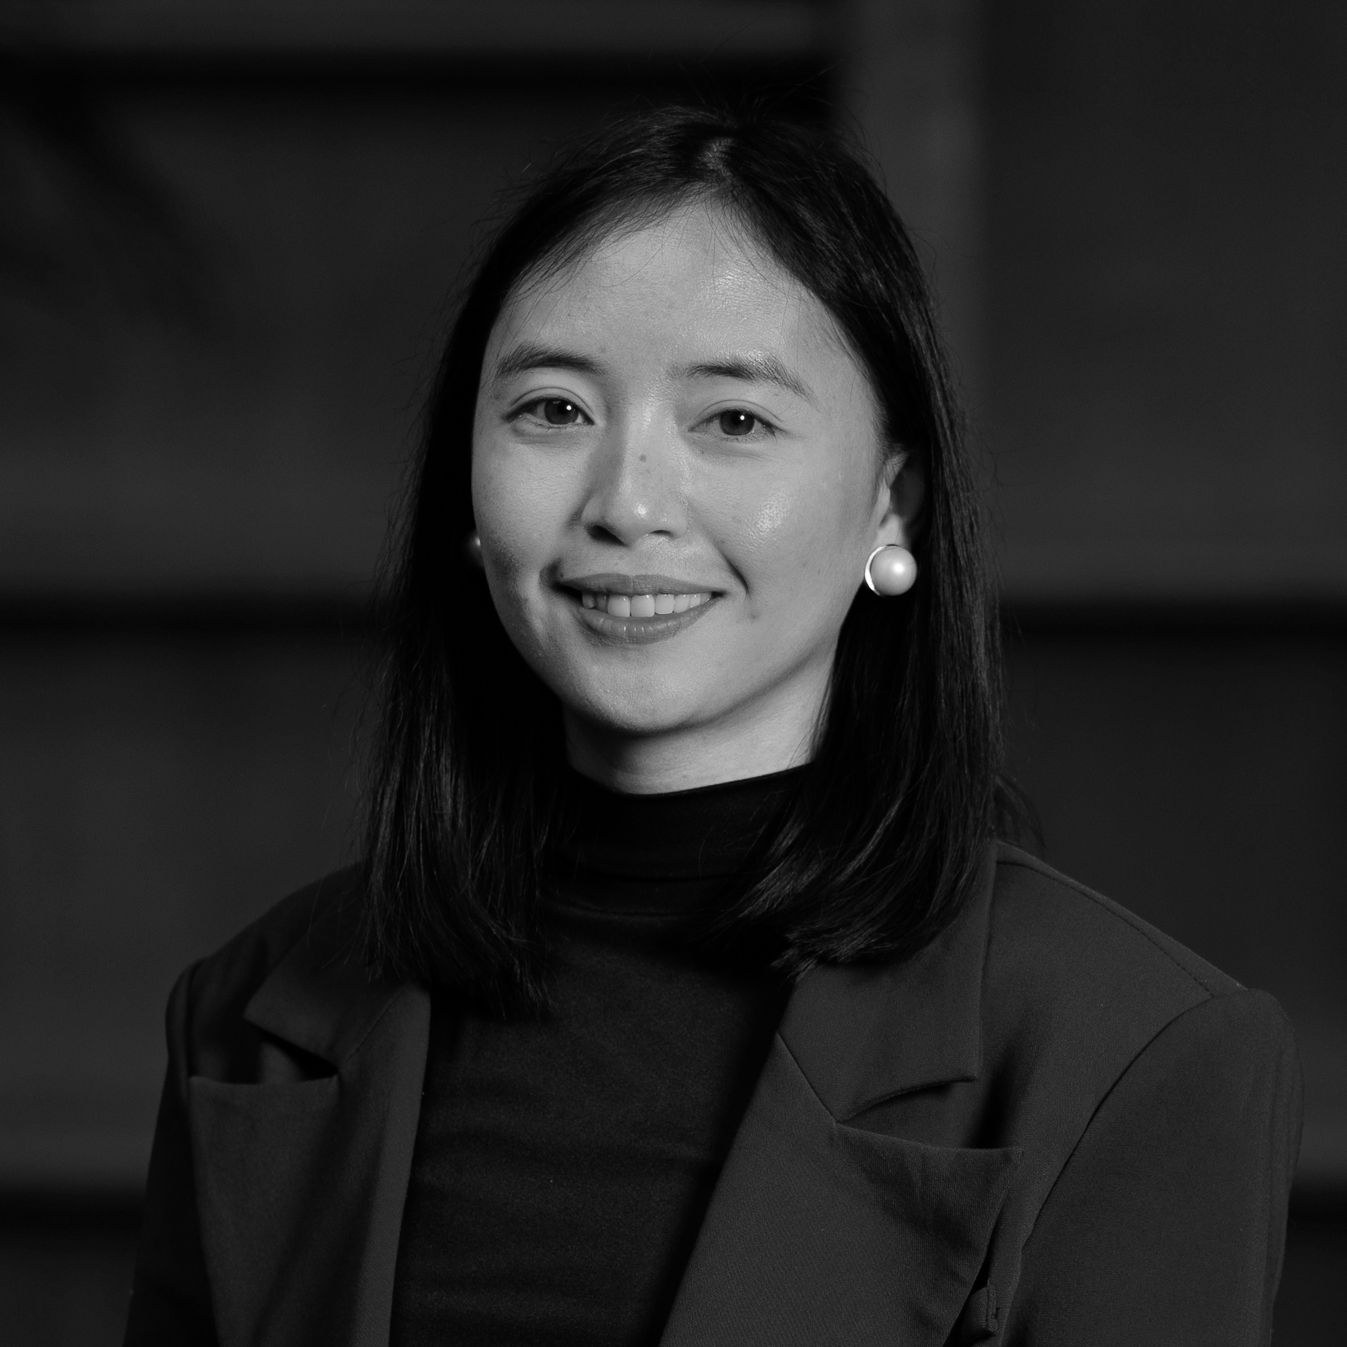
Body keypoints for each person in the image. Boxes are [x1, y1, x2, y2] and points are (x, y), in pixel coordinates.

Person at [124, 107, 1301, 1347]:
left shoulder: (1136, 1051)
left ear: (890, 504)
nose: (628, 503)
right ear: (467, 495)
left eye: (733, 420)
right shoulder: (253, 1011)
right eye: (553, 411)